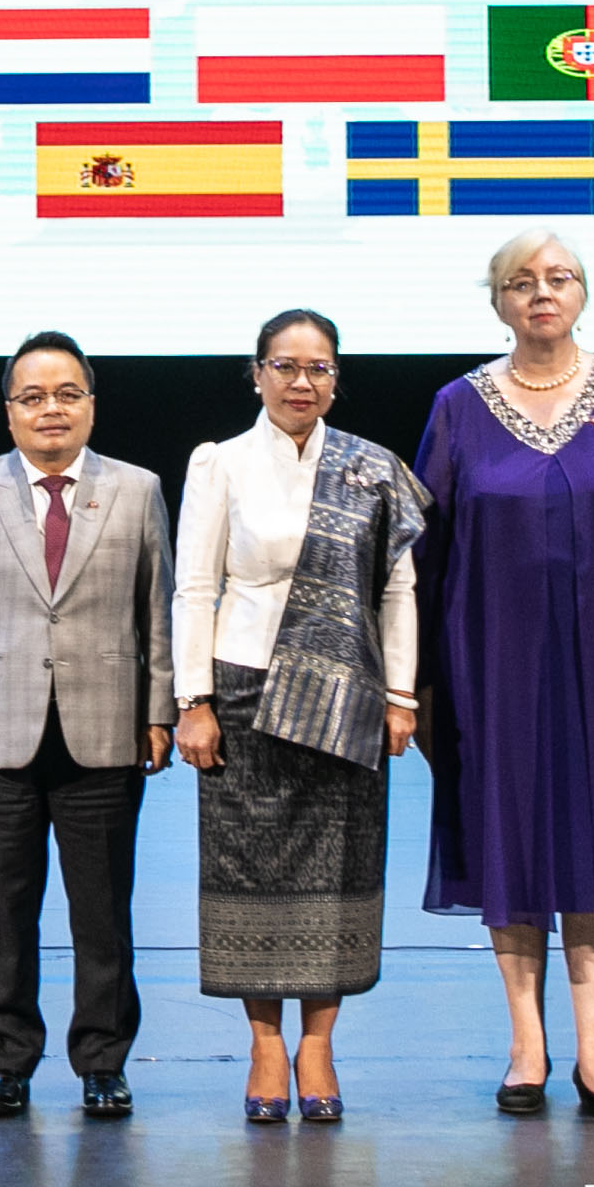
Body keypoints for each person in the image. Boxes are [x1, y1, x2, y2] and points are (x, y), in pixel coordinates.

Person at [415, 230, 594, 1125]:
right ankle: (526, 1046)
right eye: (521, 281)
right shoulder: (459, 406)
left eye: (558, 278)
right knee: (515, 838)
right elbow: (425, 554)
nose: (541, 292)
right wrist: (422, 680)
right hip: (494, 665)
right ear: (498, 301)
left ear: (582, 293)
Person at [174, 310, 420, 1126]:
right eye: (285, 366)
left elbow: (397, 590)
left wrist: (401, 696)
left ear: (336, 379)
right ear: (257, 375)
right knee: (249, 870)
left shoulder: (370, 468)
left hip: (348, 693)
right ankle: (264, 1044)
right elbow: (193, 588)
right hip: (244, 690)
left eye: (318, 368)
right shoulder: (220, 462)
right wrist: (193, 700)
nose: (301, 382)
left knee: (335, 871)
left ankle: (318, 1045)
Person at [0, 331, 176, 1120]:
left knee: (102, 912)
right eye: (33, 397)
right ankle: (6, 1062)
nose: (51, 410)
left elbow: (159, 611)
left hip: (106, 729)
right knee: (4, 911)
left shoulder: (136, 489)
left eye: (67, 394)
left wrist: (160, 710)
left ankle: (103, 1060)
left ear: (91, 406)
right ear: (9, 412)